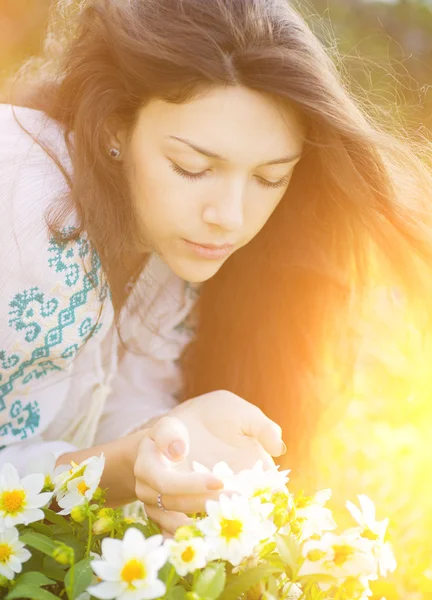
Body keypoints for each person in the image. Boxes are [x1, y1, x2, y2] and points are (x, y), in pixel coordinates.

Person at [1, 0, 432, 534]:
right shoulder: (17, 202)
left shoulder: (164, 247)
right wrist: (121, 468)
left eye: (270, 178)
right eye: (193, 168)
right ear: (114, 127)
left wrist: (174, 443)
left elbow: (121, 395)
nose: (229, 218)